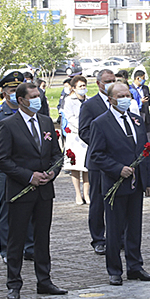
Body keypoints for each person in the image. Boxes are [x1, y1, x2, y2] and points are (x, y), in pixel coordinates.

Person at [0, 83, 67, 299]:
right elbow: (2, 160)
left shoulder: (45, 121)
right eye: (33, 96)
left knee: (42, 237)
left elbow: (56, 154)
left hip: (45, 191)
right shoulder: (8, 125)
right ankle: (14, 284)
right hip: (21, 190)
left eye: (39, 96)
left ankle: (44, 280)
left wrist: (52, 173)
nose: (38, 99)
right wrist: (28, 176)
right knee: (16, 239)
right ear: (22, 100)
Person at [89, 82, 150, 286]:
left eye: (127, 95)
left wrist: (149, 181)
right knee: (115, 229)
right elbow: (96, 155)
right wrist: (117, 168)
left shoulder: (136, 120)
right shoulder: (101, 123)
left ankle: (135, 266)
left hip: (136, 185)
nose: (125, 98)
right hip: (114, 184)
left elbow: (145, 152)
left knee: (134, 228)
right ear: (110, 99)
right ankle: (115, 270)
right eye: (120, 96)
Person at [0, 71, 35, 264]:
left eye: (19, 89)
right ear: (4, 92)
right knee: (8, 210)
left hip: (30, 172)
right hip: (9, 172)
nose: (16, 93)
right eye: (13, 90)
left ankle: (29, 247)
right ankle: (7, 249)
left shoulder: (32, 113)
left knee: (31, 208)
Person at [79, 69, 115, 255]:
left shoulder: (119, 102)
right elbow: (83, 131)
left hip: (118, 162)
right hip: (98, 161)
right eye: (107, 81)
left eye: (113, 80)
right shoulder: (90, 105)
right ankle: (98, 238)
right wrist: (103, 143)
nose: (110, 83)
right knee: (98, 201)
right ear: (99, 83)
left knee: (118, 200)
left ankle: (118, 236)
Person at [64, 75, 90, 205]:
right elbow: (70, 117)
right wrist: (82, 125)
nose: (83, 88)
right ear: (74, 88)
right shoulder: (69, 100)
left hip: (87, 136)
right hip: (74, 136)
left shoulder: (89, 100)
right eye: (80, 86)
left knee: (86, 166)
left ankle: (86, 193)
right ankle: (78, 194)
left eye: (84, 86)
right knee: (75, 166)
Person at [130, 70, 150, 166]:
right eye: (143, 78)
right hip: (138, 116)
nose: (144, 80)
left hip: (146, 116)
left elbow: (149, 99)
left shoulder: (145, 88)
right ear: (138, 78)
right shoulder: (131, 89)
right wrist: (140, 103)